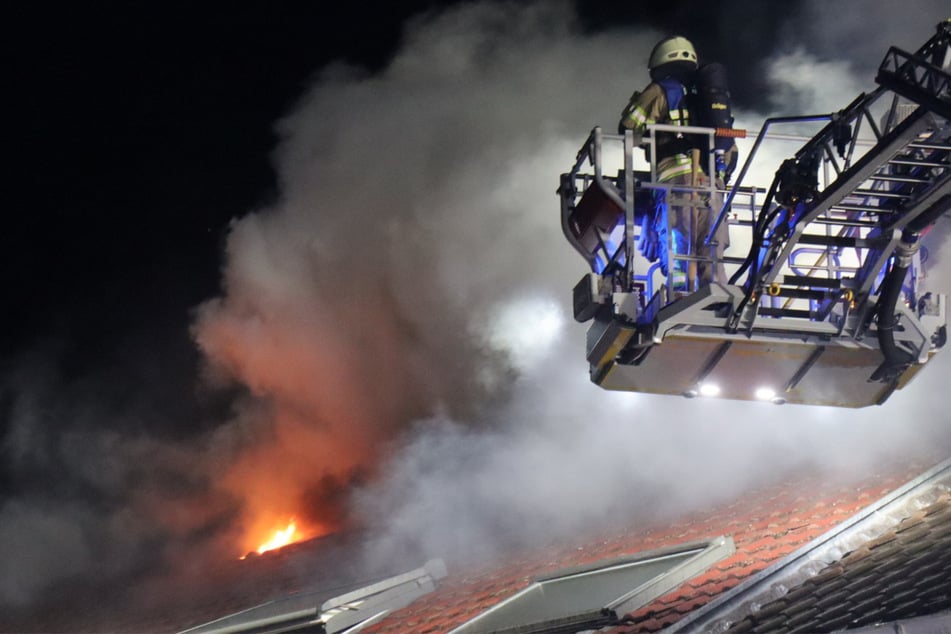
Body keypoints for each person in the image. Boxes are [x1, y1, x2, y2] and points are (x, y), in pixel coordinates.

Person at [618, 35, 730, 289]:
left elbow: (627, 126)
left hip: (676, 183)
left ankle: (679, 297)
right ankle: (715, 301)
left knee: (678, 249)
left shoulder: (660, 90)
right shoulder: (709, 98)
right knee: (712, 253)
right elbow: (728, 147)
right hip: (712, 185)